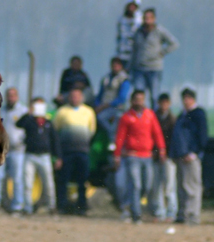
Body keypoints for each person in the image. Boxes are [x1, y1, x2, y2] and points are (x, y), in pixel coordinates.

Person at [114, 89, 165, 224]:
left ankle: (131, 206)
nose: (139, 102)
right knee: (135, 185)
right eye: (137, 99)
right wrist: (117, 154)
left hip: (147, 156)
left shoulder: (149, 115)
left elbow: (157, 133)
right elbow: (120, 137)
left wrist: (161, 149)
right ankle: (136, 215)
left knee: (146, 186)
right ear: (132, 101)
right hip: (133, 156)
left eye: (141, 99)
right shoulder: (126, 117)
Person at [94, 57, 133, 216]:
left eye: (117, 65)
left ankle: (113, 140)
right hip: (104, 106)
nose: (115, 67)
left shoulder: (124, 80)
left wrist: (104, 106)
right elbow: (100, 94)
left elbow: (121, 98)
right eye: (113, 64)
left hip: (115, 108)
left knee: (104, 119)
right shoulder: (106, 78)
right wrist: (97, 105)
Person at [52, 87, 96, 215]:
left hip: (82, 152)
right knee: (63, 180)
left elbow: (91, 130)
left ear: (81, 98)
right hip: (66, 152)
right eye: (72, 96)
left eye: (77, 96)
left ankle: (81, 207)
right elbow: (56, 130)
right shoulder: (62, 112)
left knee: (82, 181)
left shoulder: (88, 112)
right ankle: (62, 206)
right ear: (69, 97)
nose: (75, 98)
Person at [169, 88, 208, 225]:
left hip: (191, 157)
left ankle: (192, 215)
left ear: (193, 99)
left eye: (188, 98)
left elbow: (202, 136)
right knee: (181, 187)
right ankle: (182, 214)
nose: (185, 101)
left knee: (192, 188)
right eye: (184, 98)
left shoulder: (198, 114)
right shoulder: (182, 115)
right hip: (180, 156)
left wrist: (194, 152)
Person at [0, 86, 26, 213]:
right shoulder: (0, 111)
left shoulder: (24, 112)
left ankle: (17, 206)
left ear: (17, 97)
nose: (11, 98)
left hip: (17, 150)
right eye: (9, 95)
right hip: (0, 149)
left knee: (17, 178)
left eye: (13, 95)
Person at [129, 8, 179, 108]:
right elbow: (134, 50)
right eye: (145, 18)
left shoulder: (159, 31)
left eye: (149, 18)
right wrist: (130, 66)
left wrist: (162, 52)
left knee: (154, 96)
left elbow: (174, 43)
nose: (147, 20)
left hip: (154, 69)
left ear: (154, 19)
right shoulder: (138, 32)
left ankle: (154, 119)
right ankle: (141, 119)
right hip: (139, 69)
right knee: (139, 95)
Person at [16, 98, 57, 215]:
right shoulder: (29, 121)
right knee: (27, 183)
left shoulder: (48, 123)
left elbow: (55, 140)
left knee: (49, 183)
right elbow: (18, 124)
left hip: (45, 156)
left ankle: (51, 206)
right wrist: (29, 113)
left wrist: (57, 156)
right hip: (30, 155)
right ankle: (27, 208)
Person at [150, 93, 178, 222]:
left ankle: (171, 212)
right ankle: (159, 212)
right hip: (155, 156)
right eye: (162, 102)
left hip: (168, 157)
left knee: (169, 186)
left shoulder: (172, 119)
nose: (164, 105)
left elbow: (174, 139)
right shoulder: (153, 117)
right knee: (157, 186)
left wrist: (168, 153)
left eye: (166, 103)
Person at [116, 0, 143, 71]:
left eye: (134, 6)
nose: (132, 8)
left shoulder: (140, 19)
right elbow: (118, 37)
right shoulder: (121, 19)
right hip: (122, 54)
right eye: (130, 5)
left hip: (135, 55)